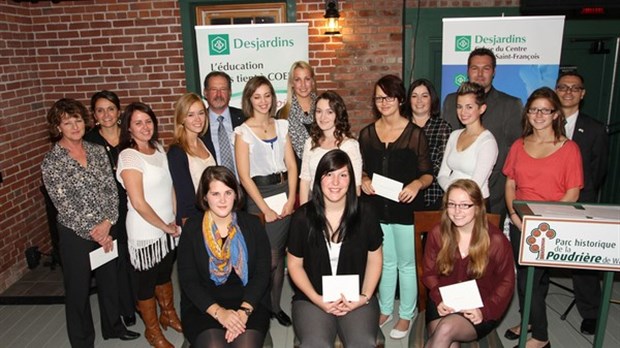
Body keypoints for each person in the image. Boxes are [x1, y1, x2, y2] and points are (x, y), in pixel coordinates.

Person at [41, 98, 139, 347]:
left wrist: (107, 224)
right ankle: (82, 341)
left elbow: (110, 190)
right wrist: (94, 232)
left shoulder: (97, 151)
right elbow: (64, 205)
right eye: (67, 122)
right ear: (58, 127)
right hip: (76, 236)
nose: (74, 126)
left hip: (106, 227)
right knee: (78, 291)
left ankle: (113, 327)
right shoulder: (53, 162)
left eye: (77, 120)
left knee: (110, 282)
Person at [503, 87, 583, 348]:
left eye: (544, 110)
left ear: (555, 114)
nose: (538, 115)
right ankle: (528, 320)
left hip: (549, 227)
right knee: (531, 278)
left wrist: (544, 223)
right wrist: (514, 214)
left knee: (529, 281)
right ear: (527, 113)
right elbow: (510, 183)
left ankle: (541, 336)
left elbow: (572, 193)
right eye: (533, 109)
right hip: (519, 222)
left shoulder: (569, 149)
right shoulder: (519, 144)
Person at [359, 74, 433, 339]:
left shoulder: (415, 134)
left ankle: (407, 314)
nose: (384, 102)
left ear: (400, 99)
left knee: (407, 264)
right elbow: (362, 170)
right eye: (379, 98)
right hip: (377, 209)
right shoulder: (366, 134)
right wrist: (364, 179)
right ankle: (386, 309)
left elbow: (428, 173)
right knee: (385, 262)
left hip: (406, 209)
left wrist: (416, 185)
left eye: (389, 97)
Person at [288, 149, 383, 347]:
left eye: (343, 175)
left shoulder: (366, 213)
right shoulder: (302, 217)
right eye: (329, 175)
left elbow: (375, 258)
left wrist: (364, 297)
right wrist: (317, 299)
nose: (335, 182)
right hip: (312, 297)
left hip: (356, 295)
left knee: (362, 343)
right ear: (318, 179)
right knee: (315, 343)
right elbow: (294, 265)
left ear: (351, 180)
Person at [178, 166, 271, 347]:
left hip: (249, 303)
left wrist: (244, 311)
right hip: (204, 306)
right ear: (205, 196)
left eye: (228, 193)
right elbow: (189, 281)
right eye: (215, 194)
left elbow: (262, 274)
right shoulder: (191, 229)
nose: (222, 200)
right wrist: (220, 313)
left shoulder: (253, 225)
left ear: (236, 194)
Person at [117, 102, 183, 348]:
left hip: (167, 228)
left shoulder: (157, 148)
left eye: (148, 121)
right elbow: (138, 202)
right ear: (129, 128)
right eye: (138, 123)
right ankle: (152, 331)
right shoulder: (128, 156)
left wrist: (174, 218)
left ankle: (168, 314)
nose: (145, 127)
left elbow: (170, 186)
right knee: (145, 284)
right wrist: (164, 227)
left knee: (164, 275)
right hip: (146, 232)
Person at [234, 76, 298, 327]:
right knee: (266, 258)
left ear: (273, 97)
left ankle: (275, 306)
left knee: (280, 254)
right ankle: (258, 305)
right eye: (257, 96)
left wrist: (291, 199)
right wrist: (265, 209)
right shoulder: (243, 131)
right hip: (258, 198)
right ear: (249, 100)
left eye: (267, 95)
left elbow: (292, 165)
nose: (263, 101)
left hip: (284, 192)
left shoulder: (282, 126)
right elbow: (244, 177)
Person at [422, 179, 515, 347]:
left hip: (479, 307)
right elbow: (429, 273)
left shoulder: (496, 241)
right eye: (452, 204)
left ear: (478, 207)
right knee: (448, 340)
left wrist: (484, 310)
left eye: (465, 205)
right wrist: (439, 297)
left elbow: (506, 283)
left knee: (445, 330)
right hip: (443, 301)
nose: (457, 211)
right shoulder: (437, 233)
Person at [555, 71, 609, 335]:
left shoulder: (596, 129)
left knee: (583, 261)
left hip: (580, 204)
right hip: (546, 201)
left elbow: (597, 172)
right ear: (555, 91)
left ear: (583, 93)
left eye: (574, 88)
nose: (568, 92)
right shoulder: (543, 122)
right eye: (563, 87)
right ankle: (531, 313)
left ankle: (590, 312)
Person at [442, 48, 522, 221]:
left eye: (485, 68)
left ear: (493, 72)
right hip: (452, 198)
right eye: (474, 68)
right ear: (467, 70)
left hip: (493, 194)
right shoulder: (450, 101)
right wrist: (452, 193)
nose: (479, 73)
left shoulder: (510, 104)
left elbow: (515, 152)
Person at [83, 90, 138, 328]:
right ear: (94, 115)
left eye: (110, 109)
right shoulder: (89, 142)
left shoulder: (131, 138)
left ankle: (131, 308)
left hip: (133, 209)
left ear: (119, 112)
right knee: (110, 267)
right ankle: (114, 319)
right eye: (100, 110)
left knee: (131, 262)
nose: (106, 114)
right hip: (106, 215)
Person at [437, 82, 498, 205]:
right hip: (451, 201)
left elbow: (475, 184)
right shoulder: (454, 135)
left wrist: (455, 196)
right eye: (459, 106)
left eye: (469, 107)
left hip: (475, 204)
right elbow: (442, 175)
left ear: (482, 108)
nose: (463, 112)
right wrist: (452, 194)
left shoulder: (487, 142)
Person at [299, 90, 362, 205]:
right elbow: (305, 180)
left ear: (338, 114)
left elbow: (356, 187)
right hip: (315, 204)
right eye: (319, 111)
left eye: (329, 112)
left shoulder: (349, 146)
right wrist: (303, 213)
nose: (323, 117)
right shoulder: (310, 143)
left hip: (341, 207)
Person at [168, 92, 216, 226]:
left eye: (201, 113)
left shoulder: (206, 143)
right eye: (190, 115)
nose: (198, 119)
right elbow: (184, 195)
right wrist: (191, 226)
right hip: (195, 219)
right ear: (182, 119)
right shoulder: (176, 152)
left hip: (214, 213)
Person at [405, 78, 452, 210]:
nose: (419, 100)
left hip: (432, 197)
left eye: (424, 96)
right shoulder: (401, 127)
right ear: (409, 101)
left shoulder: (443, 127)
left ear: (432, 99)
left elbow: (442, 165)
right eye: (414, 96)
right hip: (402, 195)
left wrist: (419, 182)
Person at [202, 71, 247, 175]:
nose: (218, 94)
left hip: (246, 187)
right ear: (205, 93)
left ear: (230, 93)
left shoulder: (245, 118)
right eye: (214, 90)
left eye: (223, 89)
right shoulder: (199, 124)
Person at [277, 61, 318, 169]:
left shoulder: (324, 109)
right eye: (298, 80)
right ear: (292, 83)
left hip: (325, 173)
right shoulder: (282, 115)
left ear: (313, 82)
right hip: (297, 176)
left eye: (307, 79)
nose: (303, 85)